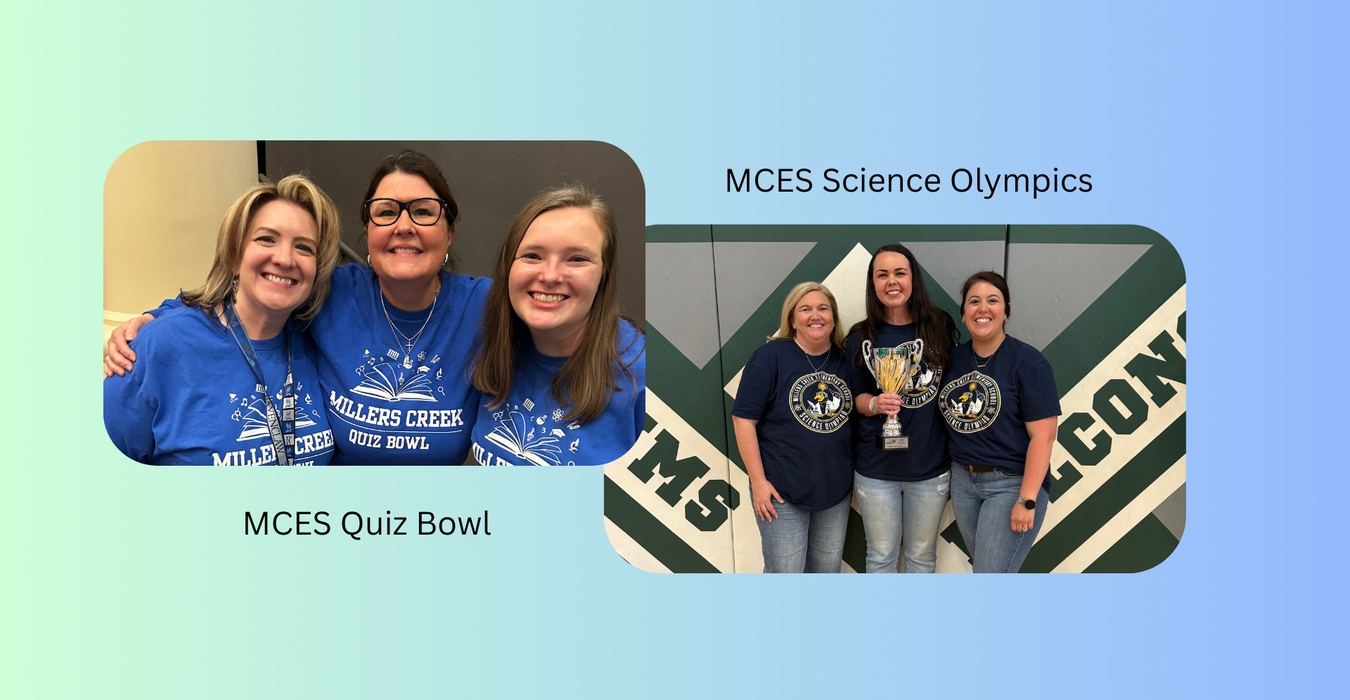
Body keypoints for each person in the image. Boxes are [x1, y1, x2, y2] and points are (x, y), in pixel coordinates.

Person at [105, 150, 492, 465]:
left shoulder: (484, 307)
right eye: (386, 212)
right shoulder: (335, 294)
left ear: (450, 232)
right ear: (369, 232)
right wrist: (150, 321)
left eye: (423, 211)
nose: (403, 225)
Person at [104, 175, 342, 465]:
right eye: (266, 239)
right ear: (233, 257)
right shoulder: (159, 348)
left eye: (304, 247)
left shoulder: (314, 338)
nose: (285, 259)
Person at [469, 186, 645, 466]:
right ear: (508, 267)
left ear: (604, 275)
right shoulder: (494, 345)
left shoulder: (643, 377)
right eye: (532, 256)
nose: (550, 276)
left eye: (577, 259)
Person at [846, 244, 959, 573]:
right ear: (873, 283)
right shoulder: (860, 337)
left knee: (921, 557)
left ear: (913, 279)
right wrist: (875, 403)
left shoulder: (939, 326)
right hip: (876, 470)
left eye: (900, 272)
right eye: (882, 274)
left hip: (929, 469)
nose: (891, 281)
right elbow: (854, 398)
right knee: (880, 557)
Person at [939, 271, 1060, 573]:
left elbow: (1043, 437)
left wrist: (1027, 499)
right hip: (963, 483)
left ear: (1005, 311)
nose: (983, 309)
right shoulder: (951, 360)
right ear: (964, 314)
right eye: (974, 301)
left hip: (1011, 485)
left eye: (992, 301)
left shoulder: (1029, 363)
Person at [732, 282, 854, 573]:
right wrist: (759, 483)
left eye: (823, 309)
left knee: (825, 575)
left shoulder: (846, 361)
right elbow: (743, 420)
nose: (816, 316)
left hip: (834, 493)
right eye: (806, 309)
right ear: (792, 319)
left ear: (833, 318)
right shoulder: (770, 357)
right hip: (780, 492)